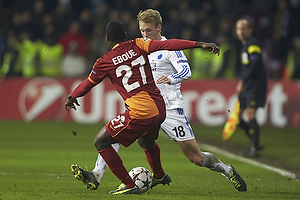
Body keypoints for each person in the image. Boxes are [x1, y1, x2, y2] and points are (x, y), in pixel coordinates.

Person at [69, 11, 246, 193]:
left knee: (196, 158)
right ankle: (98, 173)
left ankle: (227, 170)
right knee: (126, 138)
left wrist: (171, 78)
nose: (144, 34)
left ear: (159, 27)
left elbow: (186, 72)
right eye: (141, 30)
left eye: (148, 30)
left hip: (169, 108)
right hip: (147, 107)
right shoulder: (139, 46)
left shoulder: (168, 49)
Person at [235, 17, 268, 157]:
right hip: (248, 84)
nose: (241, 31)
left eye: (243, 28)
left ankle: (254, 148)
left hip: (255, 84)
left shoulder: (253, 45)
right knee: (237, 118)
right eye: (238, 29)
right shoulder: (245, 46)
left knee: (250, 114)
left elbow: (254, 66)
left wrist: (242, 81)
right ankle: (256, 142)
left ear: (250, 30)